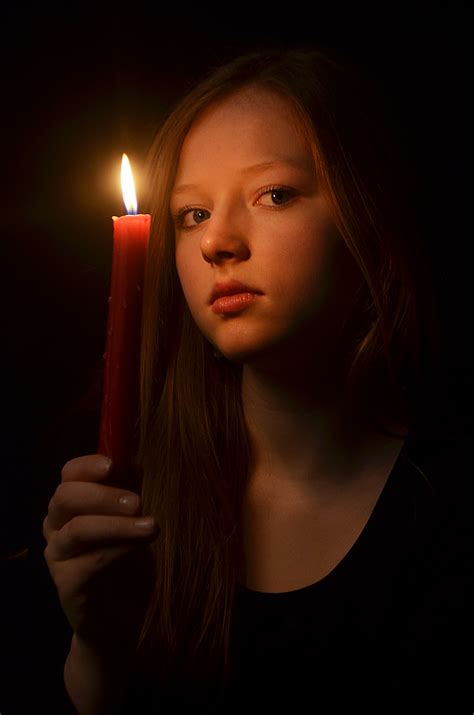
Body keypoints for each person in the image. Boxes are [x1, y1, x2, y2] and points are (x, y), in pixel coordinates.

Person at [42, 45, 473, 713]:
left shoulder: (447, 507)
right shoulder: (126, 502)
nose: (219, 242)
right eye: (193, 214)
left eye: (273, 194)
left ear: (364, 218)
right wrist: (97, 644)